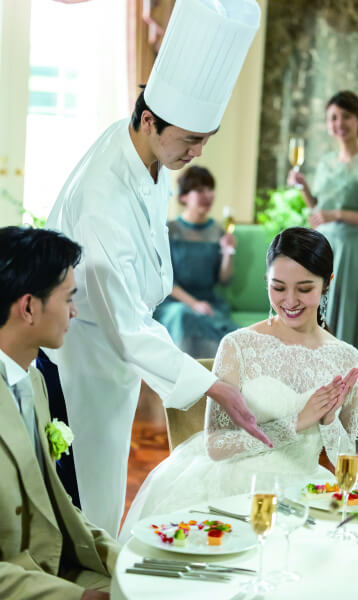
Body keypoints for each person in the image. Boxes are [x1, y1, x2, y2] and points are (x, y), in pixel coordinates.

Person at [41, 0, 271, 538]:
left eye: (205, 139)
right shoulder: (103, 195)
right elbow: (124, 322)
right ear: (149, 120)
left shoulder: (150, 155)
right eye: (190, 139)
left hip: (116, 350)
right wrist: (213, 386)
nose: (197, 152)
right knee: (86, 496)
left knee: (104, 487)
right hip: (84, 356)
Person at [119, 227, 358, 539]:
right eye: (278, 287)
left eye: (304, 289)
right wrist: (296, 422)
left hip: (303, 495)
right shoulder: (238, 346)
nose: (290, 301)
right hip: (232, 489)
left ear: (327, 283)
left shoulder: (348, 360)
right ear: (266, 281)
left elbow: (349, 462)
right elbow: (216, 446)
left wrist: (329, 420)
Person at [0, 226, 119, 600]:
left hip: (56, 567)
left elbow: (56, 504)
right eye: (68, 298)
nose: (74, 311)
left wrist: (129, 561)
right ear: (29, 307)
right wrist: (77, 598)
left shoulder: (33, 379)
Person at [288, 90, 358, 390]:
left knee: (345, 318)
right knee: (320, 314)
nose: (339, 123)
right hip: (323, 249)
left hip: (351, 251)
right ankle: (317, 387)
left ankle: (347, 391)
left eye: (346, 116)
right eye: (333, 117)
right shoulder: (326, 162)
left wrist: (337, 214)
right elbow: (319, 210)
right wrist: (304, 188)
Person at [154, 165, 237, 358]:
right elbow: (165, 279)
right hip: (175, 302)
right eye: (199, 190)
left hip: (209, 302)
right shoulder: (169, 230)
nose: (208, 195)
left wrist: (228, 253)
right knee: (183, 315)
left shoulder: (218, 231)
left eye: (210, 189)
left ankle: (213, 372)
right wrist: (194, 304)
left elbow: (225, 280)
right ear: (183, 196)